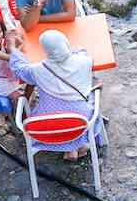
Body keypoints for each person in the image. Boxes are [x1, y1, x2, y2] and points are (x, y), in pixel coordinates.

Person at [6, 30, 104, 161]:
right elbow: (82, 51)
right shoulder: (84, 61)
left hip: (47, 127)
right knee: (88, 103)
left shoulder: (37, 70)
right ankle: (81, 144)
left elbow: (19, 68)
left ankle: (71, 149)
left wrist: (13, 48)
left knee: (58, 113)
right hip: (80, 121)